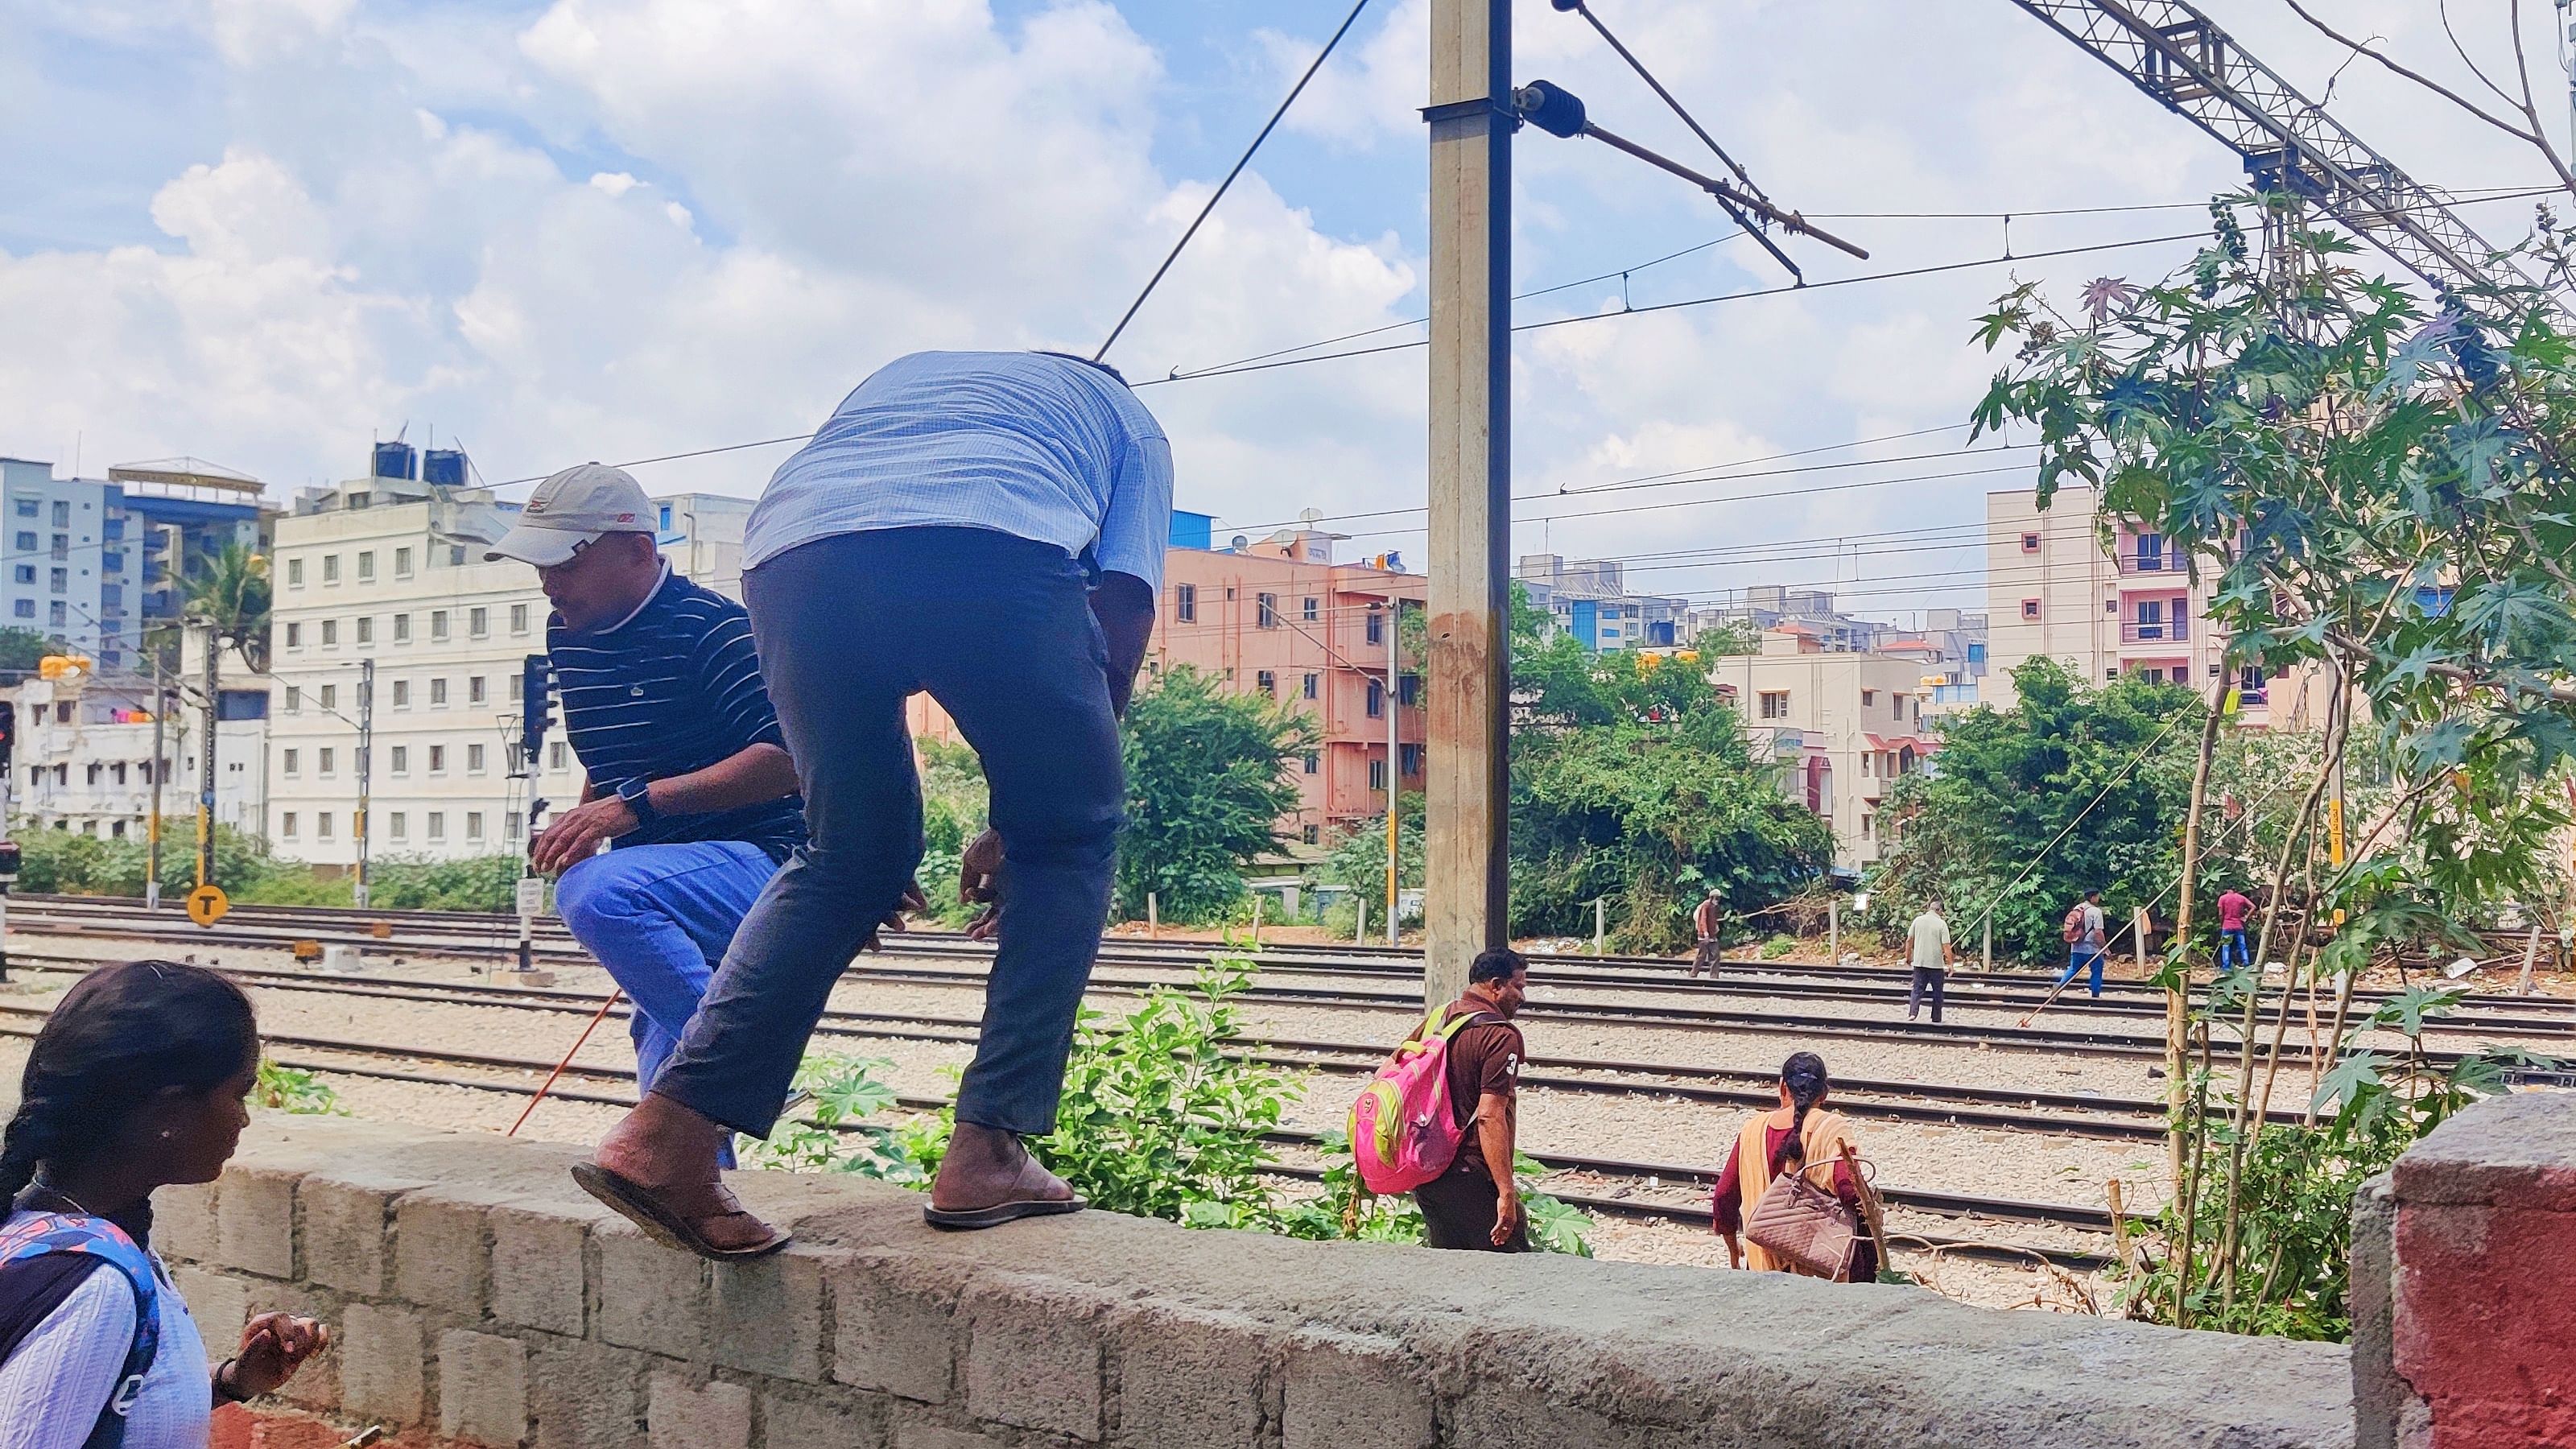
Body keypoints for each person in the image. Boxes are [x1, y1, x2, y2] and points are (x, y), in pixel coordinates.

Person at [578, 349, 1171, 1258]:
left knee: (848, 854)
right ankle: (988, 1148)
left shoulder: (910, 376)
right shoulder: (1128, 422)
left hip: (790, 558)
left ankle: (664, 1139)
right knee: (1068, 840)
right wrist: (1042, 808)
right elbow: (1120, 602)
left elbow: (868, 518)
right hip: (986, 548)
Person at [492, 463, 899, 1166]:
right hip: (669, 871)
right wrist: (590, 816)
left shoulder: (716, 630)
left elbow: (787, 760)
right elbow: (615, 753)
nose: (549, 582)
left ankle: (746, 1066)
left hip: (768, 864)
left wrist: (632, 808)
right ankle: (698, 1200)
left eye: (564, 561)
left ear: (638, 551)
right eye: (539, 562)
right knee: (663, 1072)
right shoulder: (572, 636)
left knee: (597, 895)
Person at [1, 961, 329, 1447]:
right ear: (170, 1112)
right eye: (239, 1094)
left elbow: (111, 1410)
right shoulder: (96, 1286)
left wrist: (232, 1381)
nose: (243, 1119)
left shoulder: (53, 1226)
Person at [1710, 1051, 1877, 1280]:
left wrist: (1732, 1247)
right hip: (1820, 1273)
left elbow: (1724, 1195)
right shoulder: (1832, 1127)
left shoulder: (1752, 1130)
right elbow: (1850, 1191)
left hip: (1762, 1269)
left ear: (1782, 1088)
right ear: (1824, 1094)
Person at [1411, 947, 1530, 1252]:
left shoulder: (1439, 1019)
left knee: (1451, 1270)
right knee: (1512, 1269)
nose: (1523, 997)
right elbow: (1490, 1115)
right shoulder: (1500, 1036)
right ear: (1495, 985)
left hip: (1429, 1173)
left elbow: (1390, 1072)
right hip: (1472, 1174)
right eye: (1519, 986)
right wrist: (1505, 1191)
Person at [2054, 888, 2110, 998]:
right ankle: (2095, 996)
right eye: (2097, 896)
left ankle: (2059, 987)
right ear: (2093, 897)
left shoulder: (2077, 908)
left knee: (2073, 969)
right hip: (2092, 948)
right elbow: (2098, 932)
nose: (2098, 899)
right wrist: (2104, 947)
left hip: (2076, 946)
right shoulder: (2096, 911)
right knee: (2096, 971)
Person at [1906, 900, 1952, 1023]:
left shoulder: (1918, 921)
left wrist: (1908, 957)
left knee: (1917, 989)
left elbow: (1909, 940)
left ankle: (1913, 1013)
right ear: (1940, 910)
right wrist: (1950, 964)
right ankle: (1936, 1018)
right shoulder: (1941, 924)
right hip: (1935, 964)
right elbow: (1946, 946)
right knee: (1938, 992)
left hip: (1919, 962)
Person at [2215, 886, 2255, 973]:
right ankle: (2246, 964)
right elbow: (2253, 906)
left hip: (2227, 925)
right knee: (2243, 946)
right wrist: (2246, 917)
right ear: (2235, 890)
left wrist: (2222, 923)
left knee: (2226, 946)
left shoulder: (2223, 898)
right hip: (2238, 926)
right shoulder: (2241, 898)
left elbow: (2221, 914)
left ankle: (2226, 967)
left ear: (2227, 890)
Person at [1690, 888, 1725, 977]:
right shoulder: (1706, 906)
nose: (1717, 900)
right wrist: (1705, 933)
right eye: (1716, 898)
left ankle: (1714, 976)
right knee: (1702, 955)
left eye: (1718, 898)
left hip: (1712, 935)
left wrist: (1716, 927)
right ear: (1712, 897)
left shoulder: (1715, 907)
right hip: (1704, 935)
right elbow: (1703, 920)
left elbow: (1714, 919)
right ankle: (1693, 973)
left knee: (1715, 955)